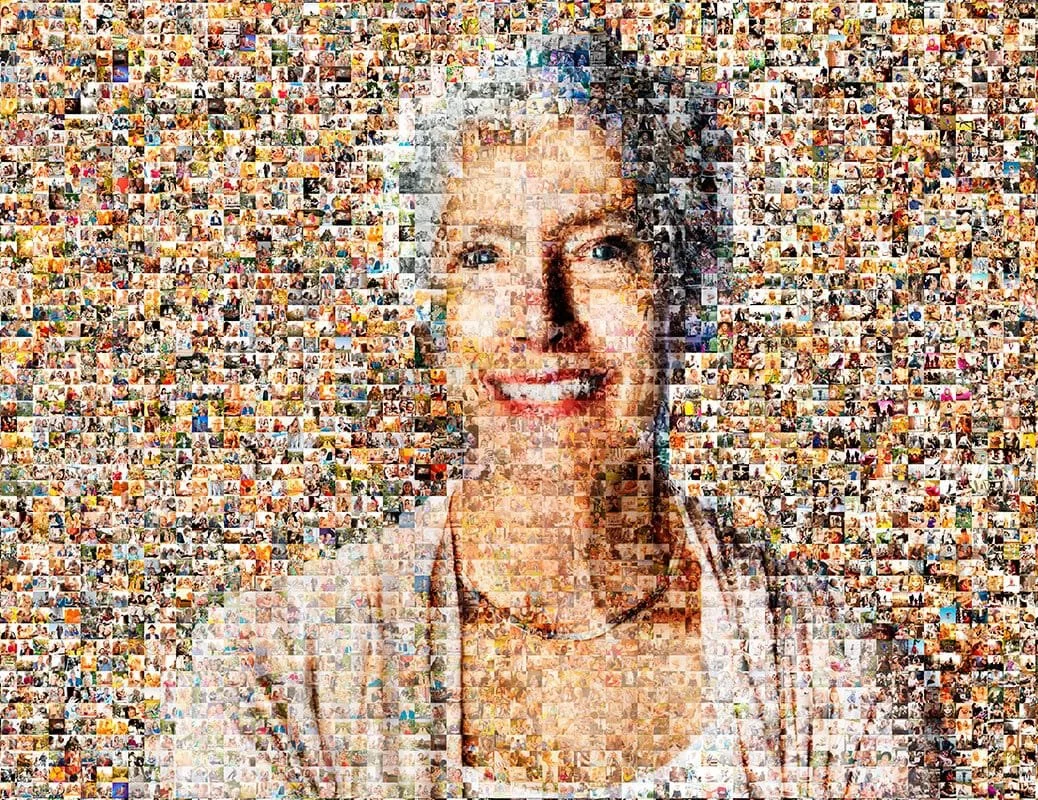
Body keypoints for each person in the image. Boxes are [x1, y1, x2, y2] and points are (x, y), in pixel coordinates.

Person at [160, 27, 926, 800]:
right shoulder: (273, 671)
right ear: (435, 308)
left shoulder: (830, 673)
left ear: (686, 293)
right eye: (484, 256)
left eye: (602, 250)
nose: (540, 317)